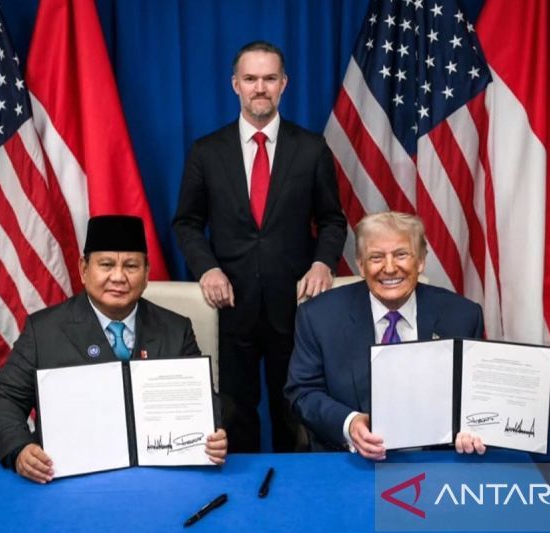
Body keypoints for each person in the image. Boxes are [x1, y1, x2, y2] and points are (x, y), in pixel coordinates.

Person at [172, 41, 346, 453]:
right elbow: (187, 223)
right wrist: (207, 268)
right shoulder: (207, 151)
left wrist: (323, 264)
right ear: (235, 84)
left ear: (284, 83)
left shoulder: (311, 148)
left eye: (269, 78)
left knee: (295, 411)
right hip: (231, 305)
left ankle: (296, 487)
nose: (260, 88)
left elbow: (333, 220)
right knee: (235, 410)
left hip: (297, 305)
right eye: (250, 79)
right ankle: (243, 488)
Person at [0, 215, 228, 483]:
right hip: (69, 480)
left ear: (146, 273)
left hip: (159, 478)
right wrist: (20, 449)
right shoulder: (43, 330)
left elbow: (203, 399)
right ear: (84, 269)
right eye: (107, 264)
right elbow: (3, 400)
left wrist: (214, 431)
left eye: (131, 266)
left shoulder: (176, 329)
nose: (119, 277)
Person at [284, 211, 486, 459]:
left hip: (436, 459)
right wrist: (350, 424)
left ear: (421, 261)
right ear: (361, 265)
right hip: (351, 460)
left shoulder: (463, 316)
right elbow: (302, 393)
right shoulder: (319, 316)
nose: (389, 268)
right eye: (376, 257)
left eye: (401, 255)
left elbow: (477, 396)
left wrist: (472, 427)